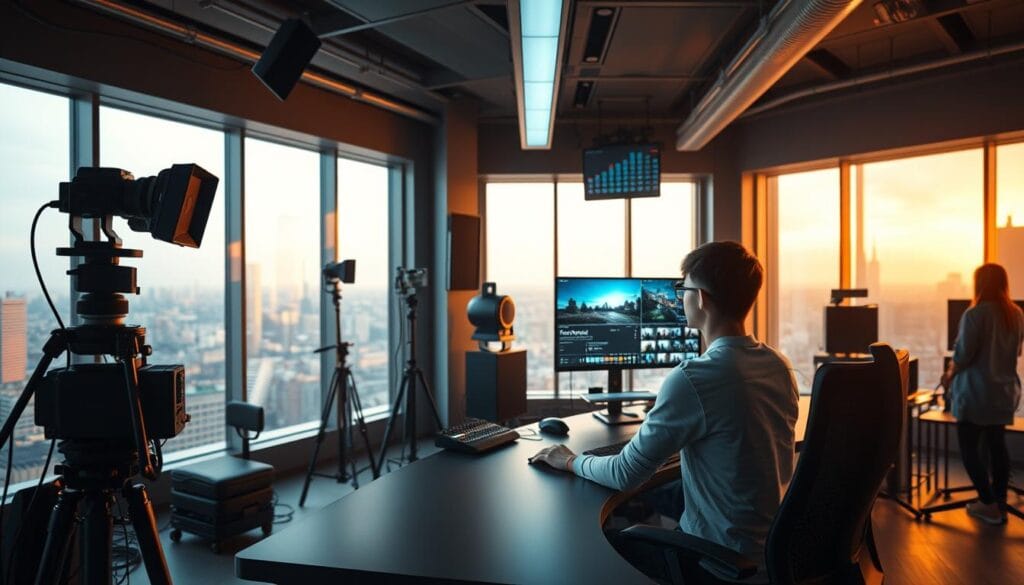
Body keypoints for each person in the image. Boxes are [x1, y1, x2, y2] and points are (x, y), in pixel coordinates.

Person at [530, 241, 798, 583]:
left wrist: (569, 460)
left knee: (602, 543)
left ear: (700, 299)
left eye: (682, 290)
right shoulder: (779, 365)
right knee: (652, 494)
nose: (679, 297)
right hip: (771, 555)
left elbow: (625, 474)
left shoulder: (695, 378)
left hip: (719, 564)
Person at [941, 262, 1023, 525]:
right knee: (997, 446)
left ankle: (987, 502)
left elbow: (963, 355)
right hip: (1002, 393)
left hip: (976, 393)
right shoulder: (1016, 315)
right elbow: (1017, 352)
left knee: (969, 448)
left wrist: (948, 375)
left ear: (979, 284)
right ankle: (999, 502)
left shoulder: (974, 315)